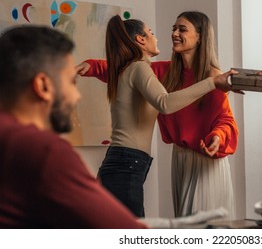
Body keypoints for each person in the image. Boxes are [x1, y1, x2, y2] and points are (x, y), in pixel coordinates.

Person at [77, 11, 239, 219]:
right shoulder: (163, 72)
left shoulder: (214, 76)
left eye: (182, 29)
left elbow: (225, 120)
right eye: (173, 28)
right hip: (179, 159)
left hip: (206, 159)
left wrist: (218, 136)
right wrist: (92, 65)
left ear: (200, 36)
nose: (174, 33)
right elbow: (124, 71)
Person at [0, 25, 147, 228]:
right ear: (43, 86)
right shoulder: (42, 151)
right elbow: (129, 234)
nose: (77, 96)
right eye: (72, 82)